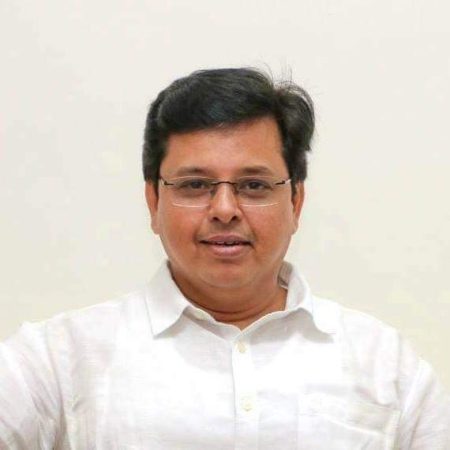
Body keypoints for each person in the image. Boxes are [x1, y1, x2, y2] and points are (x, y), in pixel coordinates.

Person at [0, 68, 448, 450]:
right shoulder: (56, 361)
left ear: (296, 202)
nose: (225, 209)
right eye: (195, 185)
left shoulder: (384, 365)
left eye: (253, 185)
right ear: (153, 201)